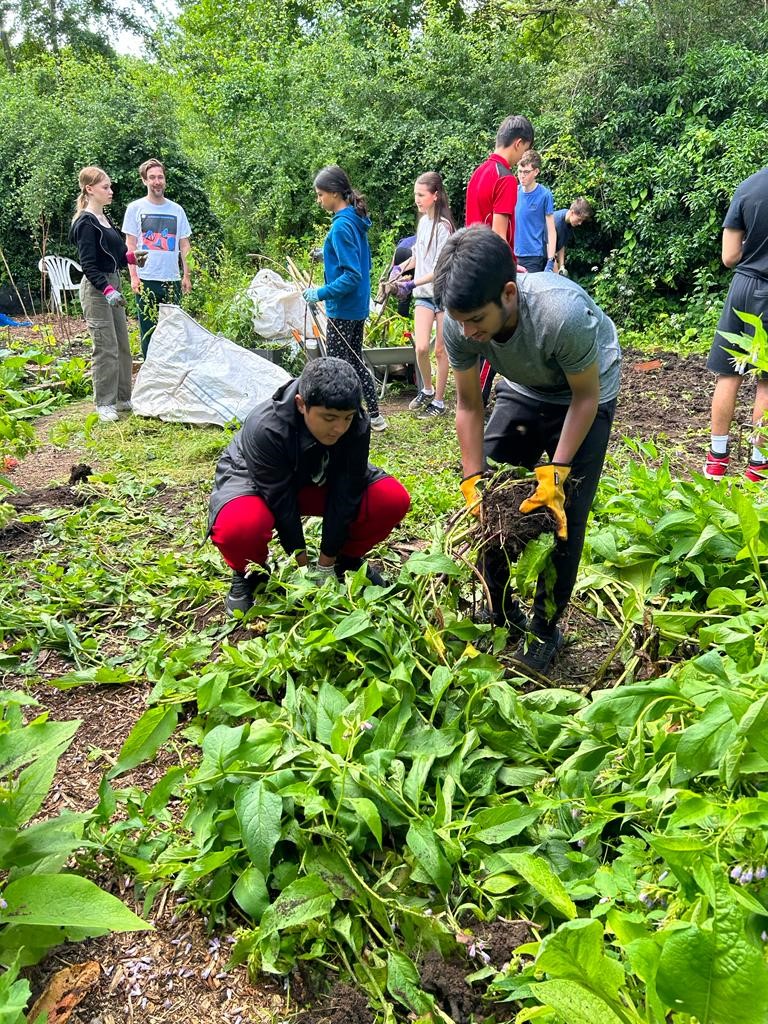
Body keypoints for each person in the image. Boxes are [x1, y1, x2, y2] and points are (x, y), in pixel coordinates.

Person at [434, 226, 621, 676]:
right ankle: (500, 610)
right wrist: (472, 477)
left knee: (565, 514)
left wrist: (556, 471)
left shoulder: (562, 315)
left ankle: (545, 628)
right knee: (494, 504)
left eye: (477, 319)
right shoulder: (460, 323)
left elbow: (585, 399)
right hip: (523, 387)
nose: (467, 331)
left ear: (509, 293)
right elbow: (468, 404)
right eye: (460, 321)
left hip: (584, 393)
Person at [208, 357, 411, 615]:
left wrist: (325, 564)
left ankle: (345, 560)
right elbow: (280, 500)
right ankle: (248, 572)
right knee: (239, 525)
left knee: (390, 499)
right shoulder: (266, 427)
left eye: (347, 418)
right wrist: (304, 568)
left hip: (318, 476)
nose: (339, 428)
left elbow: (346, 491)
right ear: (301, 404)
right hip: (259, 480)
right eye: (329, 418)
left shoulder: (356, 421)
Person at [302, 166, 388, 431]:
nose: (318, 200)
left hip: (344, 308)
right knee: (353, 359)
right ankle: (371, 415)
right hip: (357, 305)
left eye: (320, 195)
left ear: (335, 193)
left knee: (343, 365)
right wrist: (324, 253)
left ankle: (363, 416)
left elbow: (351, 275)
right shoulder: (353, 218)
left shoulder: (341, 226)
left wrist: (319, 293)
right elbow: (355, 257)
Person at [465, 114, 535, 406]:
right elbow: (498, 234)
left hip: (471, 260)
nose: (523, 158)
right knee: (500, 335)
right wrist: (507, 268)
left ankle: (474, 396)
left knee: (481, 334)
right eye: (525, 150)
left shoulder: (478, 173)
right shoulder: (504, 178)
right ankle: (478, 399)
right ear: (518, 144)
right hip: (491, 268)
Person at [69, 166, 148, 422]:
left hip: (113, 283)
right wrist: (108, 290)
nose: (110, 191)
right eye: (106, 187)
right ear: (90, 189)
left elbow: (113, 256)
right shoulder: (85, 222)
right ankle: (104, 403)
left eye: (110, 186)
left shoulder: (104, 218)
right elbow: (89, 265)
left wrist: (131, 257)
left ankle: (124, 398)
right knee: (106, 347)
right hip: (97, 289)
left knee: (123, 345)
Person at [705, 166, 768, 482]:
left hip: (742, 287)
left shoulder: (748, 186)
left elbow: (729, 256)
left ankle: (716, 460)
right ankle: (758, 465)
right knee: (767, 382)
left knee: (729, 374)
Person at [396, 172, 455, 418]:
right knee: (421, 348)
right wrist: (400, 268)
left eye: (421, 195)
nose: (417, 200)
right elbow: (418, 257)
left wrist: (411, 284)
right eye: (416, 195)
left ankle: (439, 402)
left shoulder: (444, 227)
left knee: (440, 351)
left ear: (435, 195)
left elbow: (439, 268)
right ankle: (427, 390)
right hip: (423, 294)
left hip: (441, 295)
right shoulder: (423, 223)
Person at [122, 158, 192, 359]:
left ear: (165, 180)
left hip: (171, 279)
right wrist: (134, 276)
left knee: (174, 329)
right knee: (148, 329)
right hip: (146, 279)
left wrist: (186, 275)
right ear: (144, 181)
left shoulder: (176, 210)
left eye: (160, 177)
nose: (157, 181)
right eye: (152, 177)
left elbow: (184, 245)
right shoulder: (135, 208)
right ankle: (150, 371)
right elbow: (131, 246)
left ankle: (172, 370)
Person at [514, 151, 556, 274]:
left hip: (533, 256)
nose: (522, 176)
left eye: (526, 172)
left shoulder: (544, 195)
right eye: (520, 171)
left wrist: (550, 260)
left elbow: (551, 230)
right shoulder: (513, 191)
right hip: (511, 254)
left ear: (536, 172)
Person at [553, 198, 594, 276]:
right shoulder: (555, 222)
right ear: (572, 212)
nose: (580, 223)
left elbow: (561, 245)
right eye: (579, 219)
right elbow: (550, 253)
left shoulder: (568, 222)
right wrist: (556, 276)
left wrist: (562, 266)